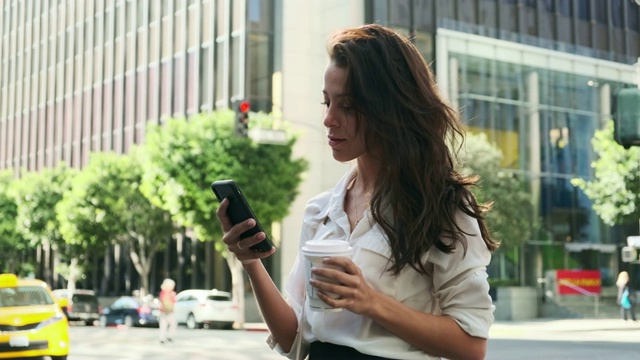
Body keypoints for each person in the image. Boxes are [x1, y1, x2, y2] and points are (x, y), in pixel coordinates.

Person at [216, 23, 499, 360]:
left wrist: (372, 302)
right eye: (327, 102)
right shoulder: (320, 211)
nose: (329, 120)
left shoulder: (443, 205)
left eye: (347, 107)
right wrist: (250, 263)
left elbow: (471, 347)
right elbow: (293, 338)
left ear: (389, 109)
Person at [158, 278, 177, 343]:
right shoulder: (171, 293)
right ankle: (170, 336)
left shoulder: (162, 292)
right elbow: (174, 302)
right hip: (169, 312)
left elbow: (161, 301)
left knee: (163, 325)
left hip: (162, 311)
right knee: (173, 324)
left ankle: (162, 338)